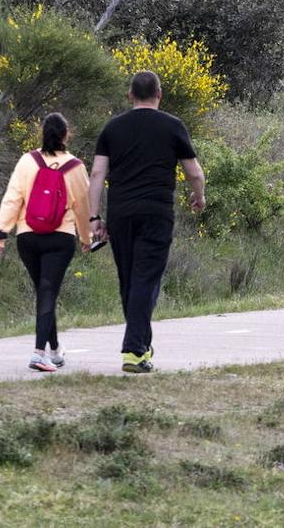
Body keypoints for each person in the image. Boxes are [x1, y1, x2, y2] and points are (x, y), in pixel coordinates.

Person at [87, 70, 206, 374]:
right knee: (144, 279)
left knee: (130, 279)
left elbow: (97, 174)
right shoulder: (172, 126)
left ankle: (140, 344)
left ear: (130, 95)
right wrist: (198, 196)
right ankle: (134, 349)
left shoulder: (112, 129)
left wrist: (94, 217)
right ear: (159, 94)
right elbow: (194, 172)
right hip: (156, 213)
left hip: (120, 214)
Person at [0, 112, 92, 372]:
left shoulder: (27, 161)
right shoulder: (75, 167)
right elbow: (83, 206)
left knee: (45, 291)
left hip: (28, 237)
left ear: (42, 133)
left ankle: (54, 350)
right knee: (47, 291)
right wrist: (86, 237)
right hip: (61, 237)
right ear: (67, 134)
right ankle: (38, 353)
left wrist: (0, 235)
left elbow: (13, 198)